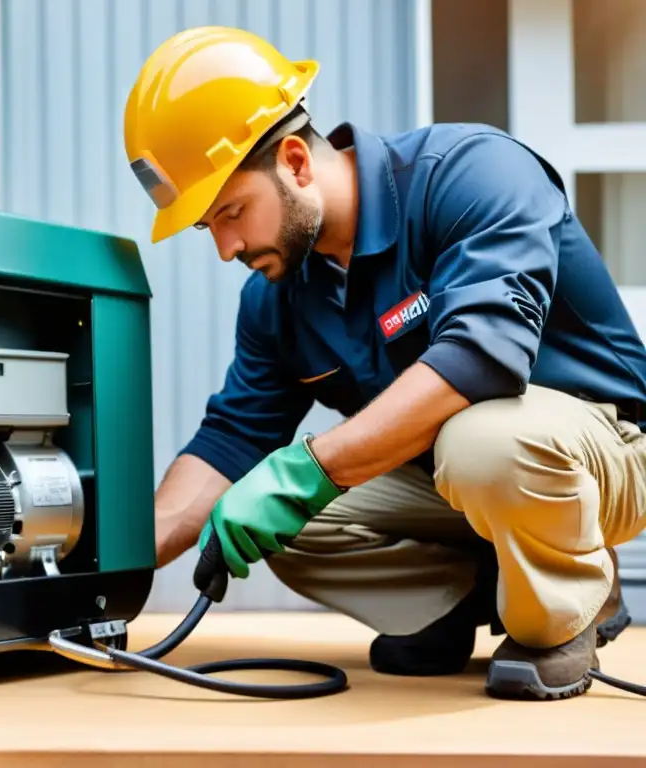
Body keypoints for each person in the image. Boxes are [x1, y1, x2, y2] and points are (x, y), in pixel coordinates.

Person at [123, 25, 645, 701]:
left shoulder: (468, 176)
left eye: (231, 212)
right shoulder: (277, 300)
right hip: (456, 481)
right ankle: (458, 603)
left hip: (604, 454)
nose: (226, 247)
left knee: (480, 440)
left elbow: (481, 358)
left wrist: (311, 467)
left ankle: (563, 616)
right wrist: (116, 567)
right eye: (208, 228)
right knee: (267, 516)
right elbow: (230, 442)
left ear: (295, 161)